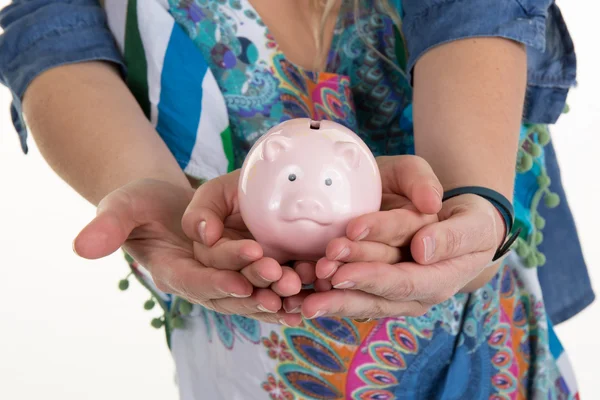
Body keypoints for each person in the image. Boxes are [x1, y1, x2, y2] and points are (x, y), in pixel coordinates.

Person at [0, 0, 590, 398]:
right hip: (244, 370)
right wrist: (137, 179)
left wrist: (471, 198)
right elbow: (52, 26)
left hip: (495, 357)